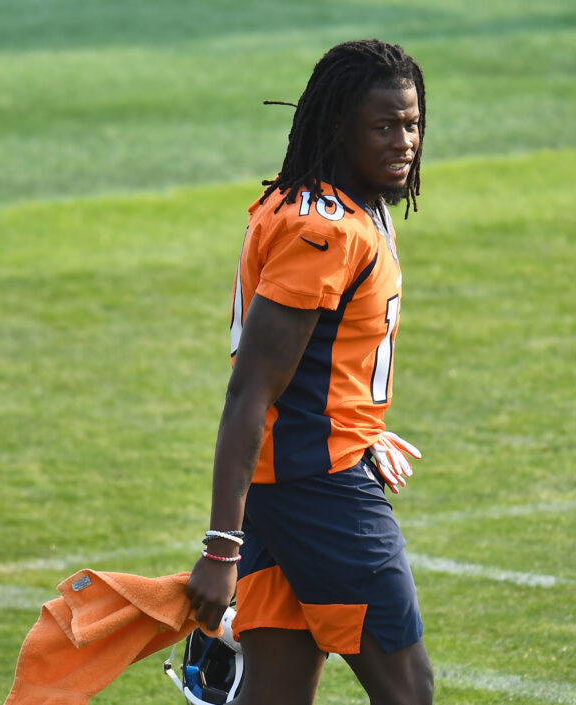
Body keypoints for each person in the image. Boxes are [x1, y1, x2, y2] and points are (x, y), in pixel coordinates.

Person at [185, 39, 434, 705]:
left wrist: (355, 422)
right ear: (337, 127)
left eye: (412, 123)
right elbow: (251, 389)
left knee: (275, 695)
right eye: (384, 126)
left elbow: (315, 364)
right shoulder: (321, 228)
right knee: (410, 692)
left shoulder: (349, 205)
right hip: (319, 492)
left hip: (292, 479)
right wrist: (219, 545)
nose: (404, 140)